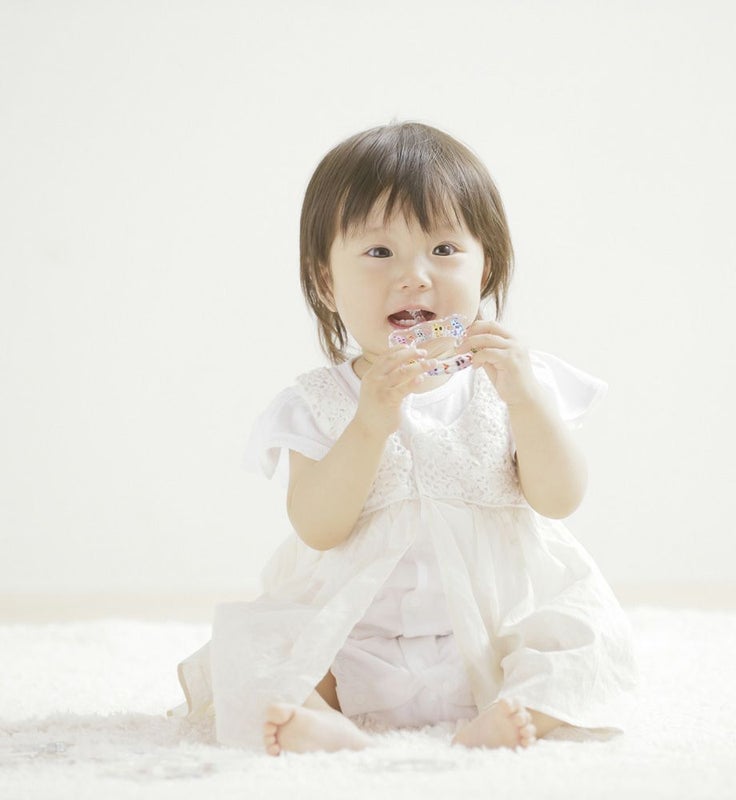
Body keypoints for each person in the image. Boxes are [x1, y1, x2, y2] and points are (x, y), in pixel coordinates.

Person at [171, 121, 637, 755]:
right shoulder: (318, 402)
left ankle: (514, 712)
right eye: (379, 252)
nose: (415, 277)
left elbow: (560, 498)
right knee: (250, 646)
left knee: (587, 631)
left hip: (495, 636)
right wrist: (369, 424)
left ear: (486, 267)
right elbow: (317, 527)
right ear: (326, 282)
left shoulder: (516, 380)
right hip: (356, 643)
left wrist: (526, 400)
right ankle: (325, 721)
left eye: (444, 249)